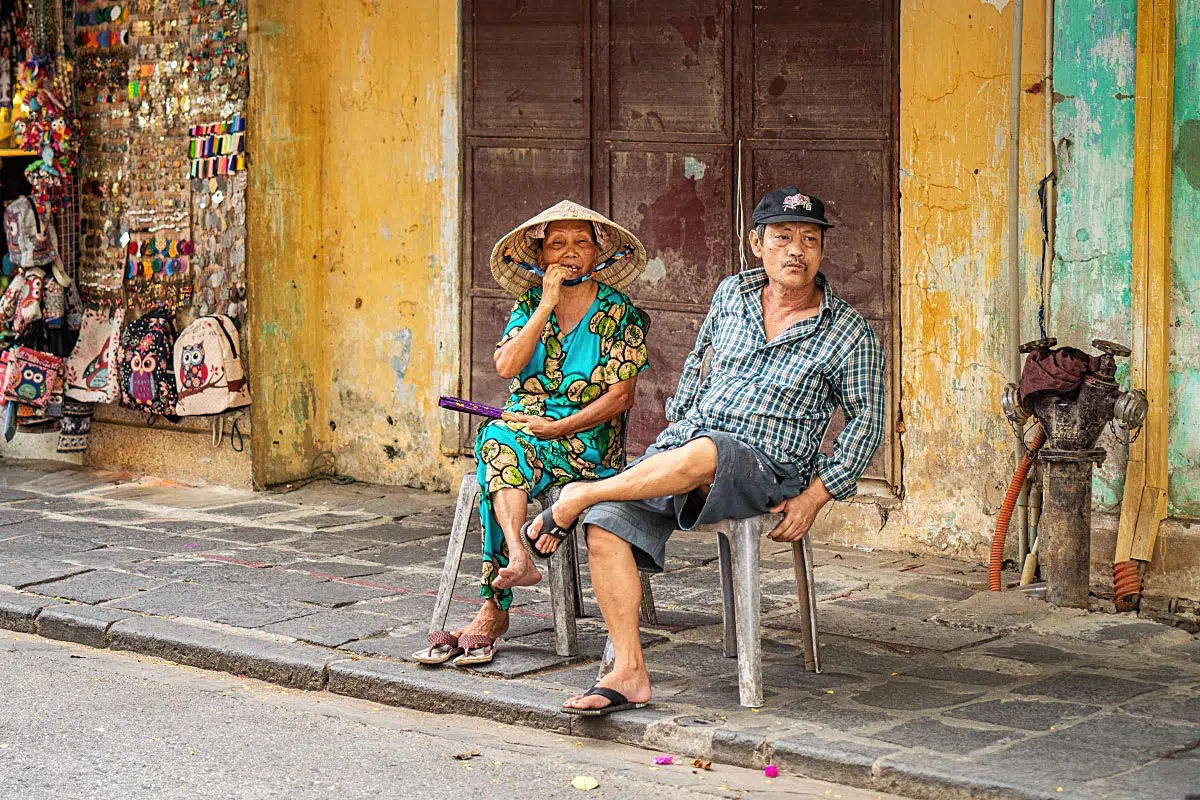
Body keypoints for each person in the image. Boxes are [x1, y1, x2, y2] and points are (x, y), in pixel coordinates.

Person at [521, 187, 886, 715]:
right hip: (688, 450)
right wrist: (679, 424)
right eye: (782, 238)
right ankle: (629, 672)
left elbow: (867, 424)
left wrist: (813, 498)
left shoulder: (848, 333)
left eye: (809, 240)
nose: (796, 251)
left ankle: (577, 494)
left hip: (766, 465)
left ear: (822, 251)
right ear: (756, 243)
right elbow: (698, 362)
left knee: (705, 452)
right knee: (604, 520)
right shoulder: (732, 294)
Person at [413, 200, 651, 666]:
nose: (569, 253)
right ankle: (518, 562)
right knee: (498, 443)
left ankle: (492, 610)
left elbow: (621, 398)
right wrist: (545, 303)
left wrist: (558, 425)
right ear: (541, 258)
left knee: (495, 456)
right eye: (557, 244)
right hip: (522, 434)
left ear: (598, 253)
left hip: (585, 443)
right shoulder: (528, 306)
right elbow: (506, 366)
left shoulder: (620, 312)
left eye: (581, 242)